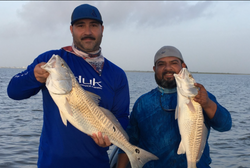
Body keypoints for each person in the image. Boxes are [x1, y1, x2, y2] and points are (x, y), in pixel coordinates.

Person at [7, 4, 130, 168]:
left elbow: (121, 117)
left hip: (96, 163)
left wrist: (109, 140)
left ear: (102, 29)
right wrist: (33, 76)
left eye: (93, 25)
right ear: (71, 29)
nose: (87, 32)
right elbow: (13, 91)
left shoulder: (117, 74)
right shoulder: (53, 59)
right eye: (80, 26)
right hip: (51, 163)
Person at [116, 46, 232, 168]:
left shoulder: (200, 97)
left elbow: (225, 125)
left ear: (183, 66)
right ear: (154, 69)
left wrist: (208, 104)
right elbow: (129, 141)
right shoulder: (142, 103)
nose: (167, 68)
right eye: (161, 64)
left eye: (173, 63)